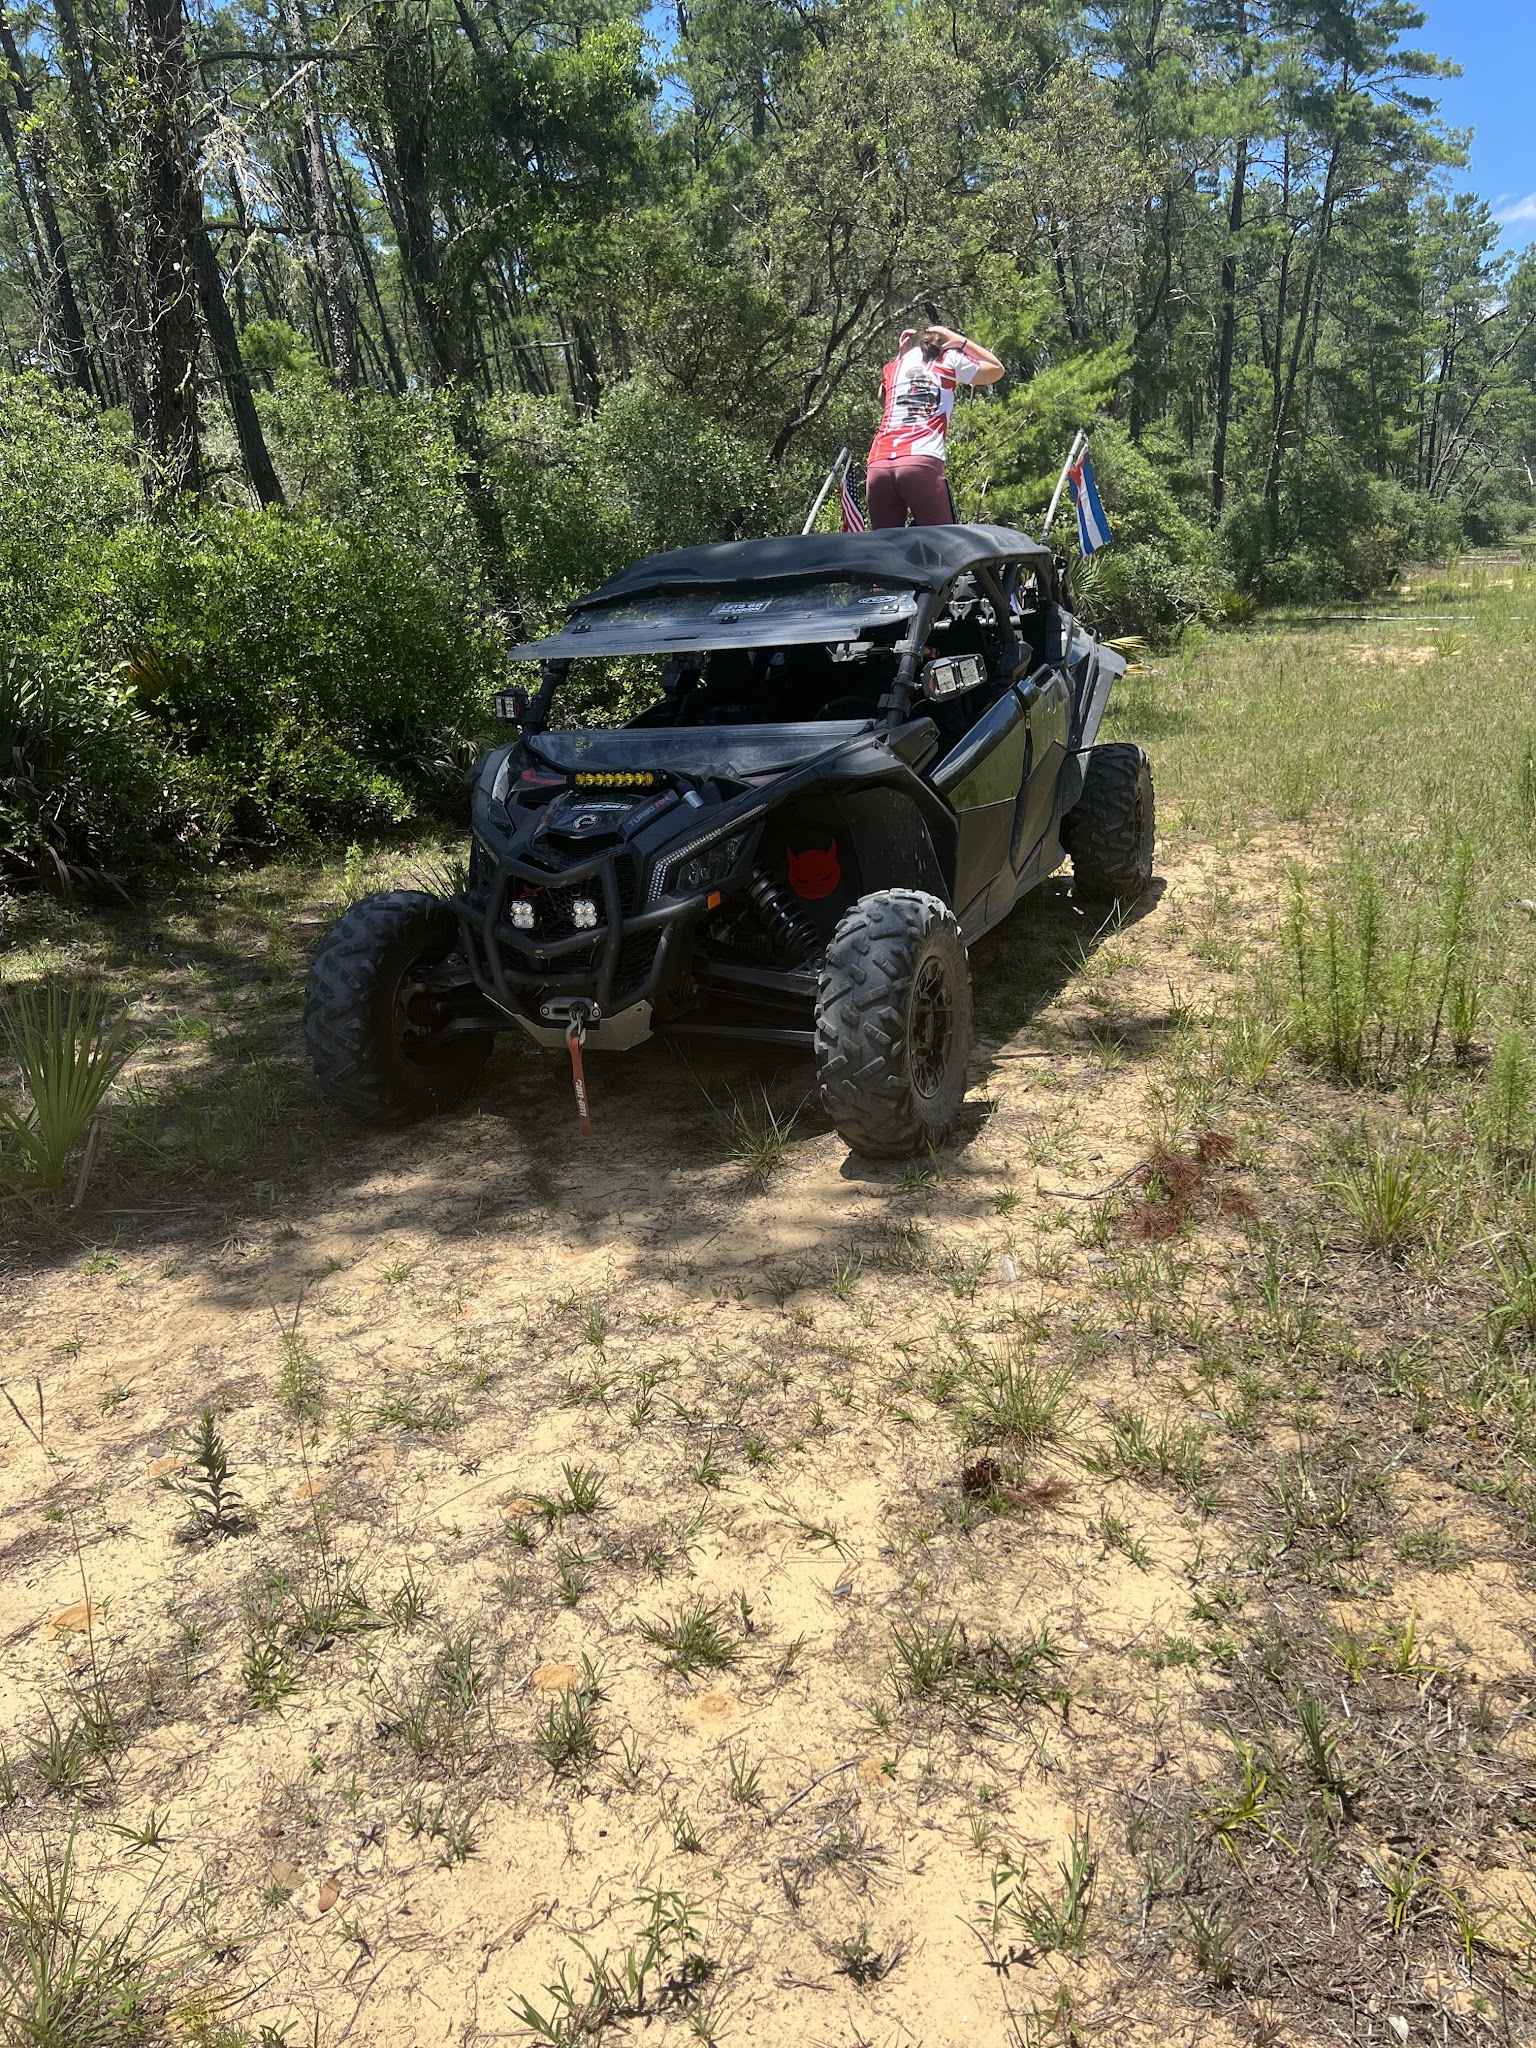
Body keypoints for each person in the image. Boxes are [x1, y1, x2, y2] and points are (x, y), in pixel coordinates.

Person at [866, 324, 1004, 528]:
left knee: (885, 550)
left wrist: (900, 354)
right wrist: (961, 341)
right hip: (920, 460)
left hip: (878, 464)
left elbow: (884, 399)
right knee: (944, 547)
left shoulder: (897, 364)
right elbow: (996, 370)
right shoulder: (949, 359)